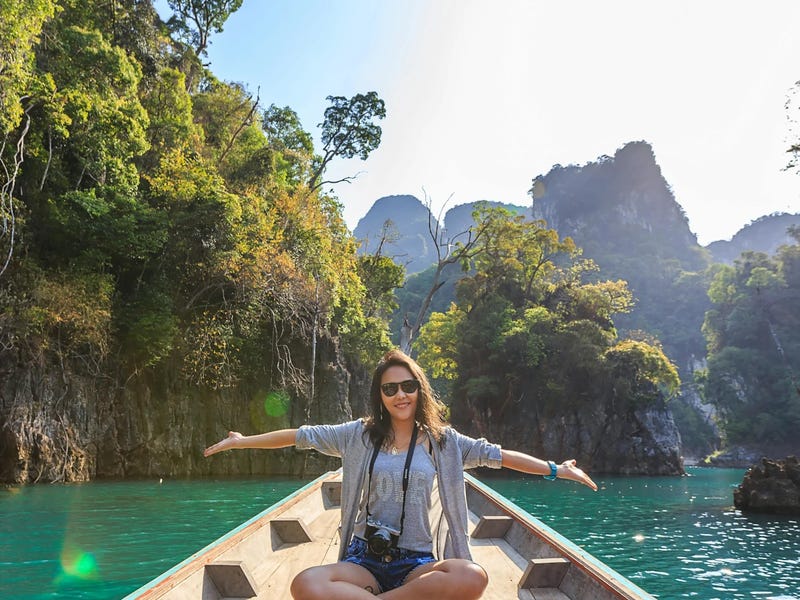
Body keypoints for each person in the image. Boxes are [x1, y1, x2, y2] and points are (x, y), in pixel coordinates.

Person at [204, 349, 597, 599]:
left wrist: (554, 469)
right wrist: (241, 441)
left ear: (419, 389)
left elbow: (500, 456)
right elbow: (299, 436)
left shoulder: (445, 443)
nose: (400, 395)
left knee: (472, 576)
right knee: (303, 584)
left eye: (408, 386)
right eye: (390, 389)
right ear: (380, 395)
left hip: (416, 565)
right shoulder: (357, 435)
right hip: (364, 560)